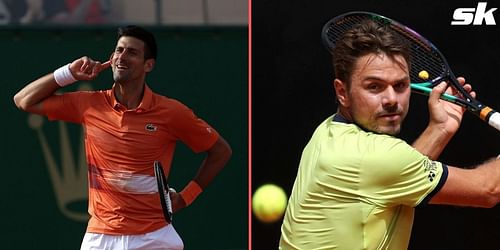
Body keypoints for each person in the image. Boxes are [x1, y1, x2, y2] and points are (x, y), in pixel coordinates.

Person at [279, 19, 500, 249]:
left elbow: (395, 176)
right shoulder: (372, 157)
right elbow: (489, 189)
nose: (392, 100)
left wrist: (440, 129)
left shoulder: (327, 131)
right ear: (342, 92)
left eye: (400, 85)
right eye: (374, 87)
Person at [13, 25, 232, 250]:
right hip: (100, 238)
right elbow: (23, 100)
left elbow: (220, 151)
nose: (122, 57)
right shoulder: (89, 104)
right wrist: (69, 72)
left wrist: (186, 197)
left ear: (149, 65)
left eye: (132, 52)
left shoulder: (171, 112)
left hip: (154, 237)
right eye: (119, 50)